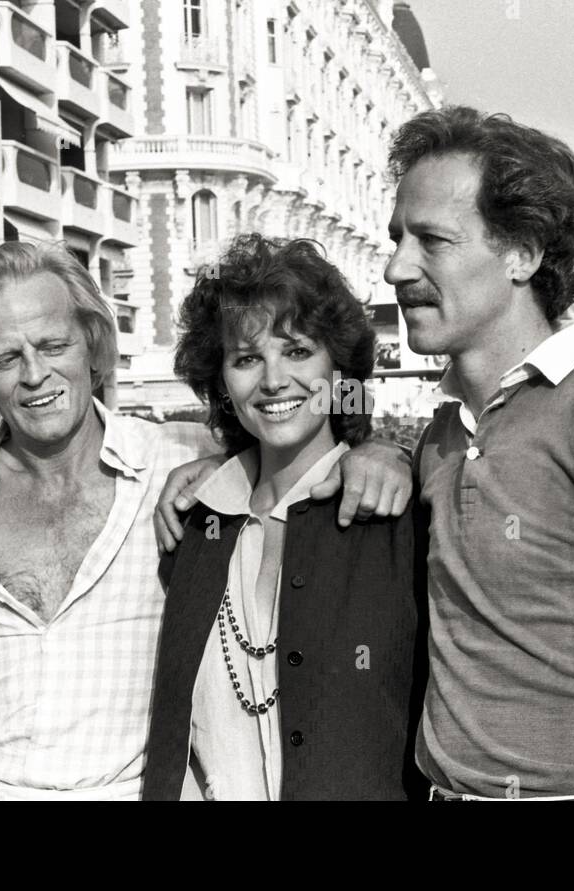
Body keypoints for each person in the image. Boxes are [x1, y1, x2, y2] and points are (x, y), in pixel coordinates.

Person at [159, 107, 574, 801]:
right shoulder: (439, 441)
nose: (397, 267)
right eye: (399, 238)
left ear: (521, 252)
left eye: (432, 240)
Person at [0, 241, 413, 800]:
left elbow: (294, 433)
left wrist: (381, 451)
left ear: (92, 344)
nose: (35, 374)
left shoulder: (181, 466)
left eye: (54, 345)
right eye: (6, 358)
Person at [143, 234, 426, 800]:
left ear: (339, 368)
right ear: (222, 381)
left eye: (297, 351)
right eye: (247, 358)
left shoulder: (395, 511)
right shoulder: (197, 522)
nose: (273, 381)